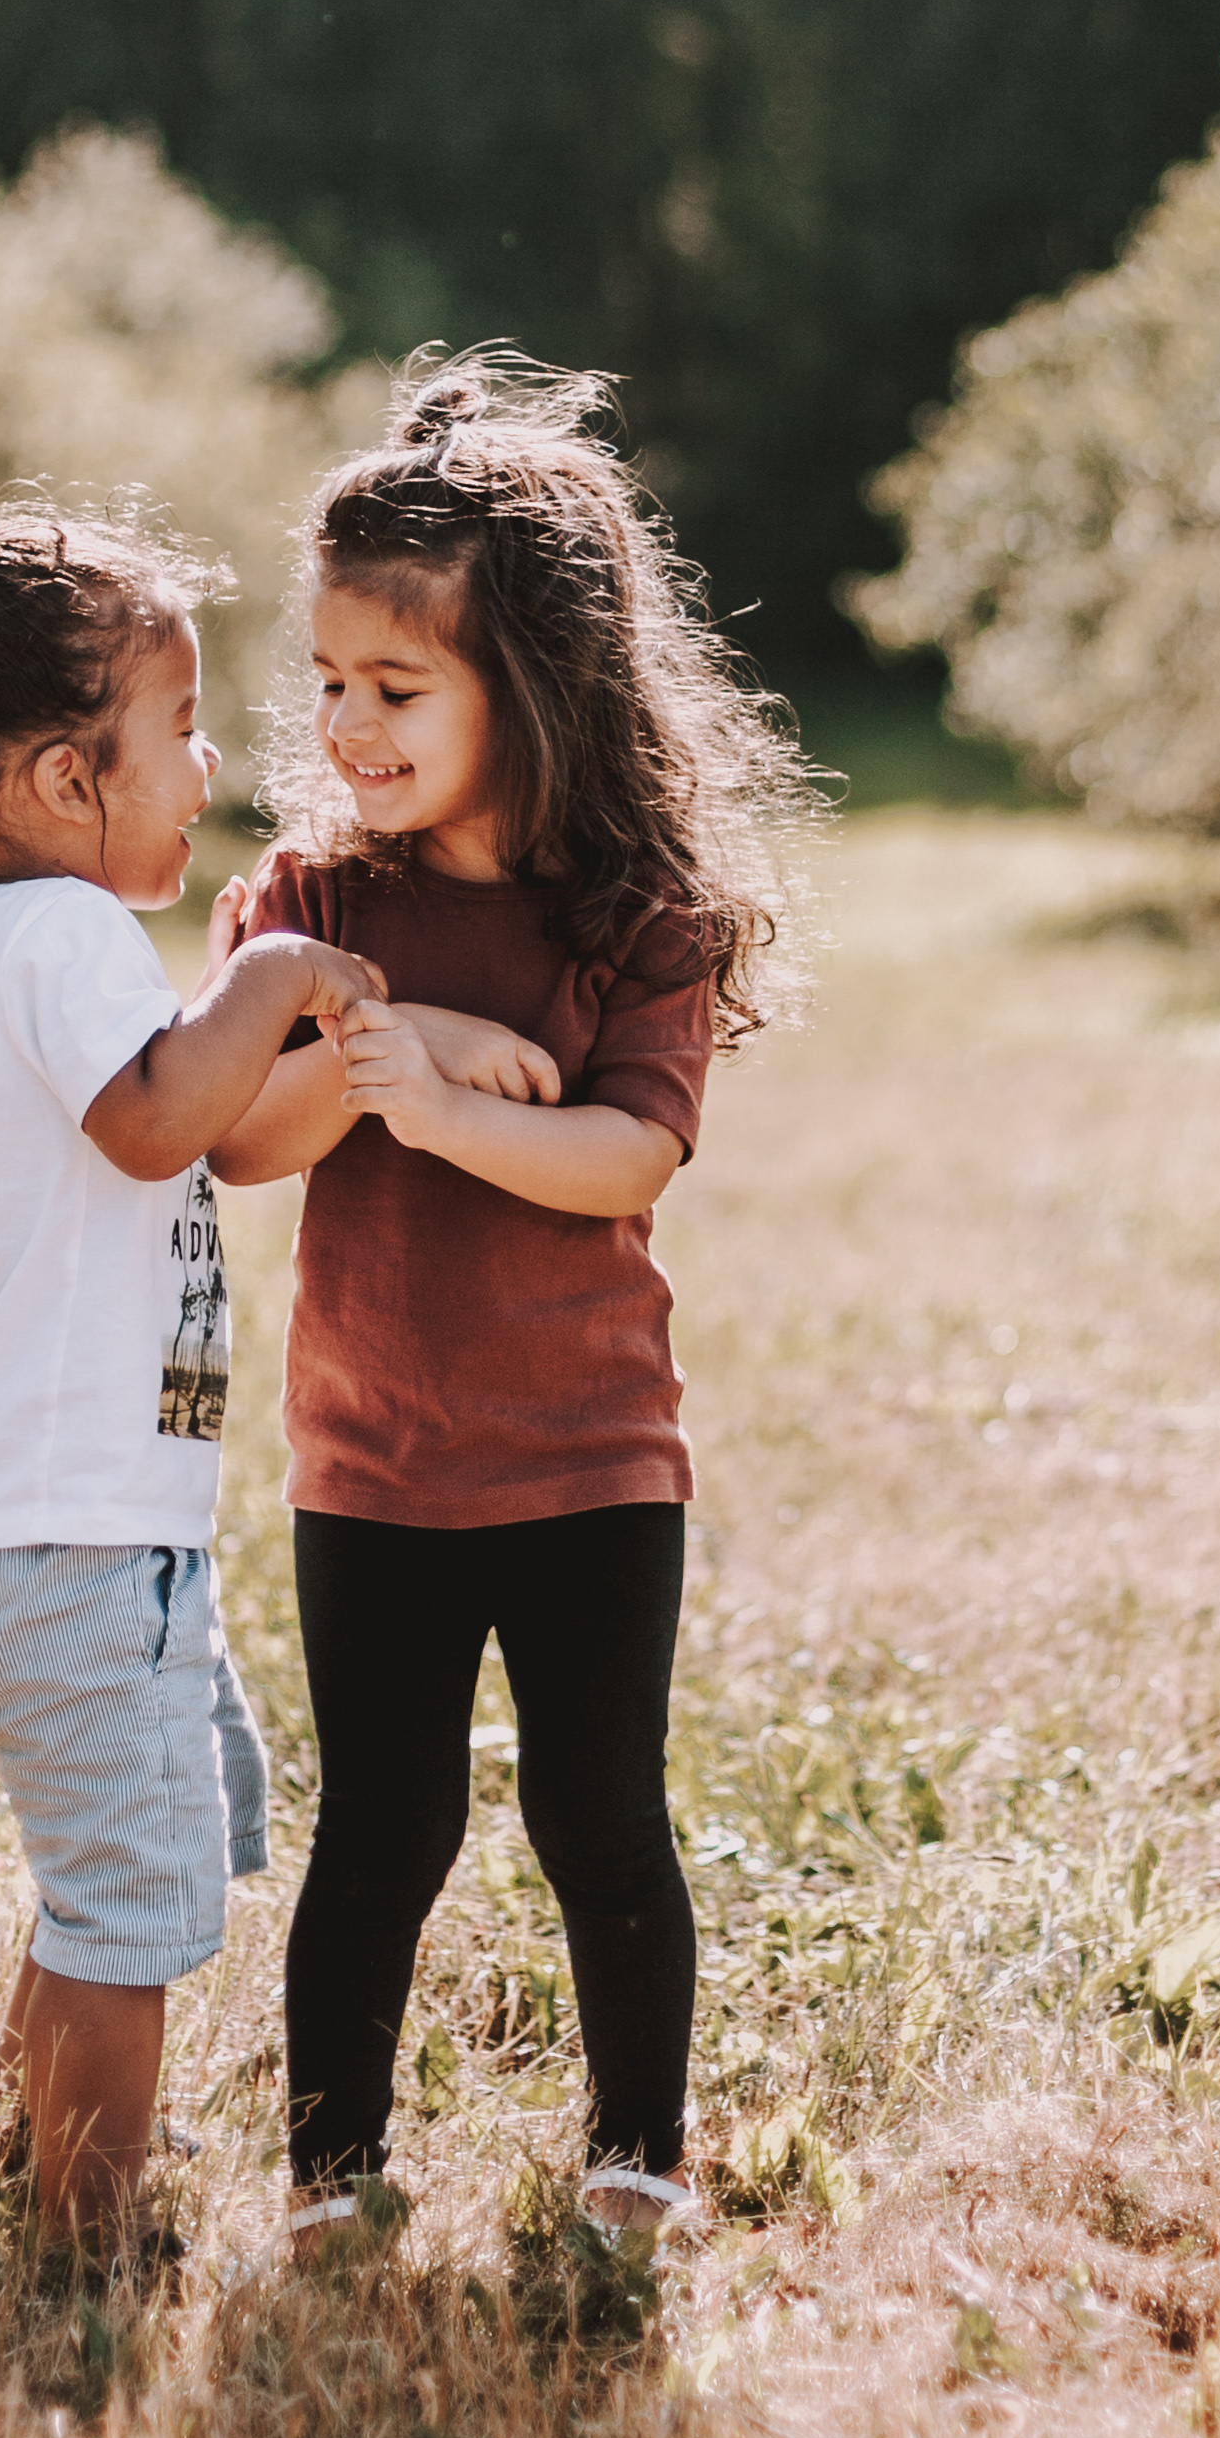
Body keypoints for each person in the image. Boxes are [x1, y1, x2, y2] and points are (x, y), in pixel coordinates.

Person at [0, 451, 553, 2244]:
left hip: (47, 1530)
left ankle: (29, 2136)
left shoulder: (6, 939)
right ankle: (90, 2230)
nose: (210, 768)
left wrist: (382, 1041)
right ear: (68, 778)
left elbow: (216, 1123)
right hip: (64, 1536)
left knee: (128, 1859)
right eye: (180, 730)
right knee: (124, 1911)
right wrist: (279, 972)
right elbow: (157, 1124)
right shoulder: (61, 934)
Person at [209, 357, 804, 2257]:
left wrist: (448, 1099)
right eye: (329, 680)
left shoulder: (637, 911)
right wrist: (386, 1045)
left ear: (530, 687)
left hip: (588, 1456)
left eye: (396, 688)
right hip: (371, 1460)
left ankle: (635, 2157)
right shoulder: (308, 902)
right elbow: (243, 1141)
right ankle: (330, 2171)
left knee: (596, 1813)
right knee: (382, 1826)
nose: (345, 723)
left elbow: (627, 1155)